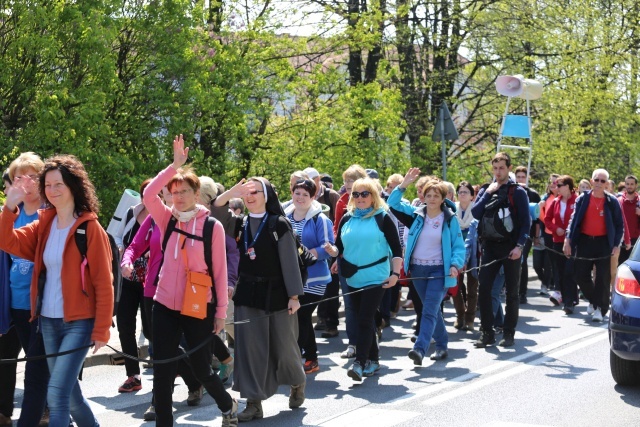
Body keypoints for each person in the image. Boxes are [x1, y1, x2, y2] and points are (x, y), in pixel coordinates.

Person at [0, 154, 114, 427]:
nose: (52, 190)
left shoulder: (90, 227)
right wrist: (10, 206)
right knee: (71, 395)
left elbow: (103, 282)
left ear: (73, 186)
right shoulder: (44, 224)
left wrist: (101, 329)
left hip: (79, 323)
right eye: (47, 185)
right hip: (47, 322)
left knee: (57, 394)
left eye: (57, 184)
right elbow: (7, 241)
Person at [142, 135, 237, 427]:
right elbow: (148, 195)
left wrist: (220, 314)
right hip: (165, 303)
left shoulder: (212, 227)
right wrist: (174, 166)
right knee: (163, 368)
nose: (178, 197)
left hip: (199, 306)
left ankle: (226, 405)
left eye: (184, 191)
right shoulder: (165, 218)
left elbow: (220, 274)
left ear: (197, 194)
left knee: (201, 368)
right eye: (174, 192)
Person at [220, 176, 306, 422]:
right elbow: (214, 210)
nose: (249, 196)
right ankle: (254, 404)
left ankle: (298, 381)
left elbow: (290, 262)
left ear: (266, 195)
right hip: (248, 293)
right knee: (249, 351)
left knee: (285, 348)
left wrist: (294, 296)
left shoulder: (278, 224)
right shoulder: (240, 223)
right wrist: (232, 191)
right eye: (245, 193)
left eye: (254, 191)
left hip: (279, 295)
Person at [387, 170, 465, 365]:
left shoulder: (449, 219)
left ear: (443, 198)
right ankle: (442, 344)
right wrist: (403, 184)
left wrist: (455, 264)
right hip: (418, 271)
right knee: (432, 311)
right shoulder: (416, 215)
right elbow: (393, 203)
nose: (431, 199)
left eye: (435, 196)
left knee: (429, 310)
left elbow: (458, 246)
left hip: (439, 271)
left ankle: (419, 349)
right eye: (428, 195)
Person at [329, 177, 402, 380]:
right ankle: (374, 360)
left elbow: (397, 249)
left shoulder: (382, 217)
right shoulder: (347, 218)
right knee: (366, 319)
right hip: (352, 276)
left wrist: (395, 274)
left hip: (376, 275)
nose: (360, 198)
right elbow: (339, 248)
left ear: (373, 196)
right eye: (356, 194)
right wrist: (332, 253)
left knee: (363, 318)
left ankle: (359, 362)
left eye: (364, 194)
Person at [471, 152, 531, 348]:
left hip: (511, 248)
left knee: (512, 293)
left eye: (502, 168)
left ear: (509, 168)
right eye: (495, 168)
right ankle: (486, 332)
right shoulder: (486, 190)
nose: (498, 172)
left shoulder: (518, 192)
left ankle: (508, 332)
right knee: (485, 290)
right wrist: (488, 192)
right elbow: (475, 213)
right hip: (489, 247)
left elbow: (525, 222)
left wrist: (519, 246)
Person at [284, 178, 334, 374]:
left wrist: (303, 254)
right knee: (297, 317)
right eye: (297, 193)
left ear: (313, 197)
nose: (301, 197)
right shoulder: (285, 217)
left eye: (306, 194)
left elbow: (326, 248)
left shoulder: (320, 219)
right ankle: (306, 357)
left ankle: (304, 358)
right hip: (291, 277)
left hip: (314, 277)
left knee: (302, 315)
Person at [563, 168, 624, 322]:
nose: (598, 183)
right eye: (596, 180)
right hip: (584, 240)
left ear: (607, 184)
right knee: (579, 274)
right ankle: (595, 301)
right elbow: (573, 220)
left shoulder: (612, 202)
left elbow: (619, 225)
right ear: (591, 181)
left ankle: (600, 310)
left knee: (603, 278)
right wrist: (567, 239)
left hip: (604, 242)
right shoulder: (582, 199)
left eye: (602, 181)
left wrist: (617, 244)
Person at [112, 178, 152, 393]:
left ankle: (179, 366)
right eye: (146, 192)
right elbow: (116, 235)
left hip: (151, 282)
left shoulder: (163, 216)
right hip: (128, 278)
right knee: (125, 326)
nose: (150, 197)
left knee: (151, 330)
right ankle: (133, 376)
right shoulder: (131, 213)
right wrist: (120, 249)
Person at [332, 164, 368, 359]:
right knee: (350, 304)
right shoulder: (342, 202)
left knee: (368, 304)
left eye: (351, 180)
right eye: (345, 180)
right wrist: (339, 253)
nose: (347, 184)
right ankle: (353, 343)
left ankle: (370, 338)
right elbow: (337, 230)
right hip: (346, 259)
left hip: (370, 262)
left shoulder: (374, 202)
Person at [544, 175, 579, 314]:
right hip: (558, 242)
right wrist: (555, 228)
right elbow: (547, 220)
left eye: (559, 185)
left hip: (573, 242)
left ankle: (569, 302)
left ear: (568, 186)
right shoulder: (555, 201)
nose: (556, 188)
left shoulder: (577, 200)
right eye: (555, 185)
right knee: (561, 271)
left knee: (570, 271)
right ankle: (568, 299)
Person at [451, 181, 479, 331]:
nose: (462, 194)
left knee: (472, 287)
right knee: (455, 285)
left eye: (466, 192)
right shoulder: (452, 209)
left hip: (474, 251)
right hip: (456, 251)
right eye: (460, 192)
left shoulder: (477, 210)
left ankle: (470, 318)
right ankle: (460, 315)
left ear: (472, 196)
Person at [514, 166, 541, 304]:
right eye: (518, 177)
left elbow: (537, 220)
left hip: (527, 234)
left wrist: (536, 237)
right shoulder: (511, 191)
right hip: (512, 232)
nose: (520, 179)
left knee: (522, 261)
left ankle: (522, 292)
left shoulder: (533, 194)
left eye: (522, 177)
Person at [617, 175, 640, 264]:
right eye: (627, 184)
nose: (629, 186)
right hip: (621, 240)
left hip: (636, 241)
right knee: (620, 267)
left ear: (636, 185)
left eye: (632, 184)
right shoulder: (619, 201)